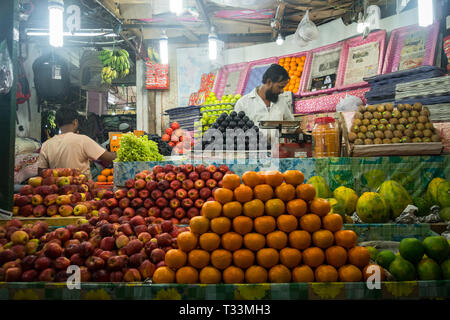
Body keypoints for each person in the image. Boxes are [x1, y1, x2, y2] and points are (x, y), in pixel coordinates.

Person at [38, 107, 116, 179]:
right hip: (82, 190)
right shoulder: (83, 140)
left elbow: (41, 172)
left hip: (58, 191)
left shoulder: (46, 144)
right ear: (75, 122)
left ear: (57, 124)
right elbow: (110, 158)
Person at [234, 64, 300, 144]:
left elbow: (291, 126)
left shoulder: (281, 101)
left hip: (275, 151)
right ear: (269, 82)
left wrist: (307, 132)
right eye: (280, 87)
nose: (282, 91)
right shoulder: (243, 103)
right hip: (252, 151)